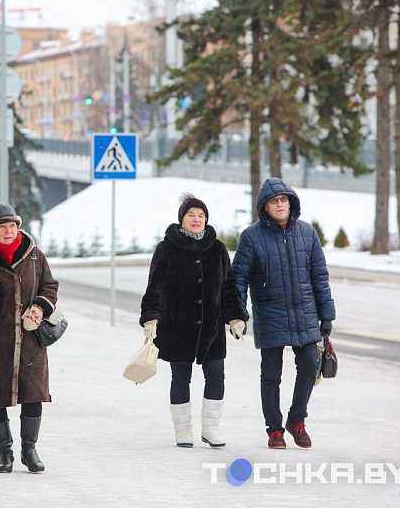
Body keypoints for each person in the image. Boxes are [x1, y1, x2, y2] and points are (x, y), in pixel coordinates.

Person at [232, 178, 335, 449]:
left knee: (310, 366)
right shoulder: (251, 236)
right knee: (271, 374)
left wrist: (327, 314)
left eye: (283, 200)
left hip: (304, 312)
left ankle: (296, 421)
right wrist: (238, 313)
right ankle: (274, 430)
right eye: (274, 201)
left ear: (291, 203)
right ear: (265, 207)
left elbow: (320, 277)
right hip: (270, 312)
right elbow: (238, 279)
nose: (279, 205)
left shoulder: (307, 233)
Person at [140, 195, 247, 448]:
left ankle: (211, 429)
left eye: (201, 215)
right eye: (191, 215)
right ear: (182, 220)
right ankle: (183, 430)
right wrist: (150, 318)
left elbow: (229, 286)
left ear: (206, 219)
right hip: (178, 326)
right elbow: (154, 286)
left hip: (212, 328)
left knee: (216, 375)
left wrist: (236, 317)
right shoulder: (166, 249)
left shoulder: (218, 249)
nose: (196, 219)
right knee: (180, 378)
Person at [0, 202, 59, 473]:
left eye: (12, 226)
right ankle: (5, 452)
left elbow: (50, 285)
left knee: (33, 392)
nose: (9, 231)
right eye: (2, 227)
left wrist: (40, 306)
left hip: (29, 337)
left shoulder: (34, 255)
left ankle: (29, 450)